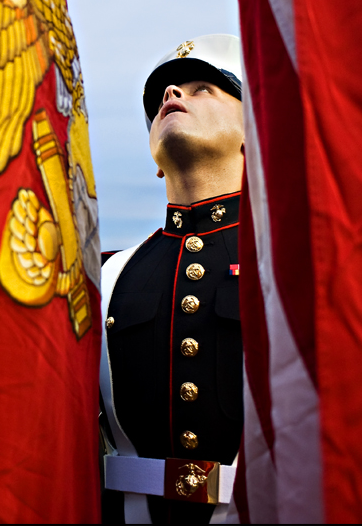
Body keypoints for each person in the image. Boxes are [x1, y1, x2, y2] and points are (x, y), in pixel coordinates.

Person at [99, 35, 245, 524]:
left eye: (202, 87)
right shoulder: (105, 276)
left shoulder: (296, 261)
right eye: (164, 95)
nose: (172, 97)